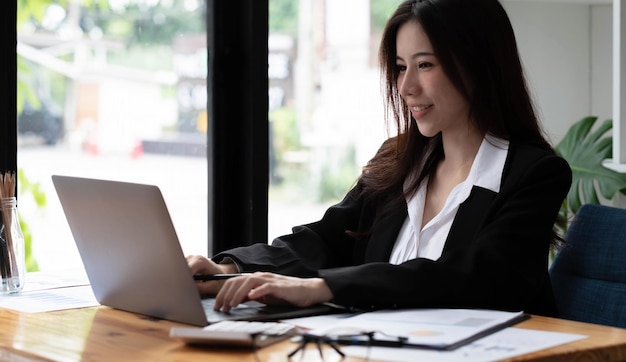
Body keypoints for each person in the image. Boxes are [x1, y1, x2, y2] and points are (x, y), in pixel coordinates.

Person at [187, 0, 572, 317]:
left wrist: (324, 287)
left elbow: (477, 277)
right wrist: (229, 269)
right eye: (401, 67)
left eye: (425, 65)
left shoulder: (533, 174)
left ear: (479, 66)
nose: (406, 86)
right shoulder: (400, 159)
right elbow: (326, 238)